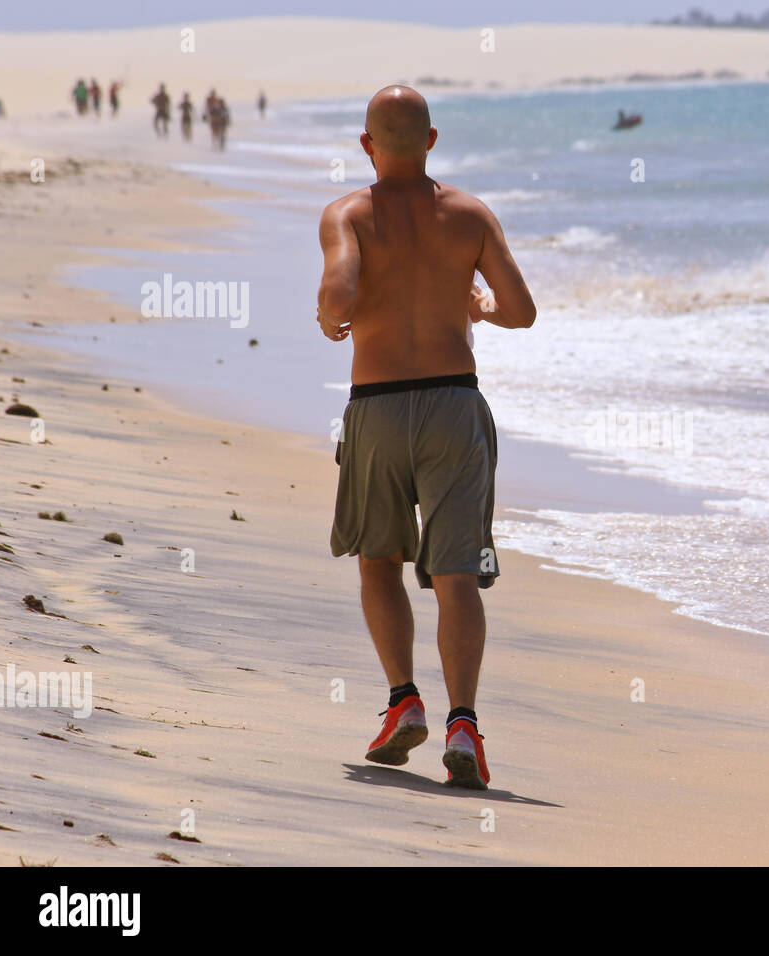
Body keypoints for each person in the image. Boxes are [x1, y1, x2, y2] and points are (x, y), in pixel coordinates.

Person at [318, 85, 536, 790]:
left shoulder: (348, 212)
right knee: (457, 575)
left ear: (367, 144)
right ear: (433, 139)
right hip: (453, 403)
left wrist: (331, 319)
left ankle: (402, 700)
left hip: (378, 405)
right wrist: (478, 305)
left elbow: (337, 294)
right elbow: (523, 311)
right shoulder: (469, 214)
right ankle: (464, 725)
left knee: (378, 558)